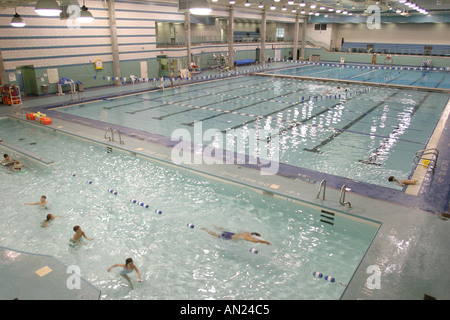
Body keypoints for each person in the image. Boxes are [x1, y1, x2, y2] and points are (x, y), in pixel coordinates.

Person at [201, 227, 270, 245]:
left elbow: (239, 232)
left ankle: (217, 228)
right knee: (215, 236)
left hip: (231, 234)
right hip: (229, 236)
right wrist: (265, 242)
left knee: (235, 241)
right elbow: (254, 241)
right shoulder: (248, 237)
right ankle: (205, 230)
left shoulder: (246, 233)